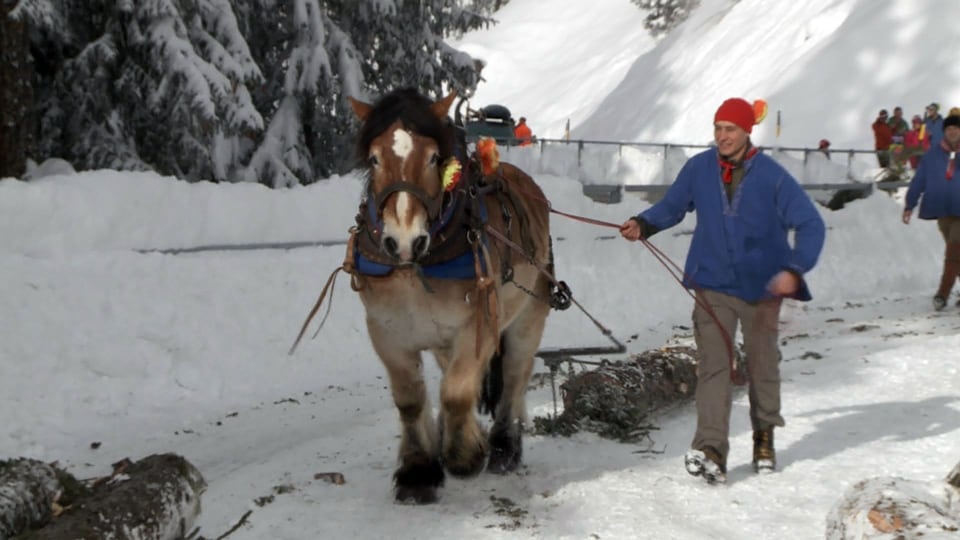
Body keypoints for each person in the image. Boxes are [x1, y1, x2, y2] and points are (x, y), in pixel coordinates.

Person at [619, 97, 826, 484]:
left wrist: (794, 270)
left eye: (730, 129)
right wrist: (643, 224)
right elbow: (673, 206)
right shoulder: (699, 168)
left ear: (747, 131)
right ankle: (711, 449)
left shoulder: (773, 176)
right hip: (712, 283)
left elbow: (811, 224)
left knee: (763, 364)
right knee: (713, 367)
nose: (722, 136)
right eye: (717, 128)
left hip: (762, 288)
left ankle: (764, 436)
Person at [902, 114, 960, 311]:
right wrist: (910, 204)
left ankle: (942, 295)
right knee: (957, 255)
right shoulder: (932, 155)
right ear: (944, 131)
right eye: (949, 128)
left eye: (956, 128)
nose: (952, 131)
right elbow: (919, 180)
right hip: (943, 211)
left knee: (953, 253)